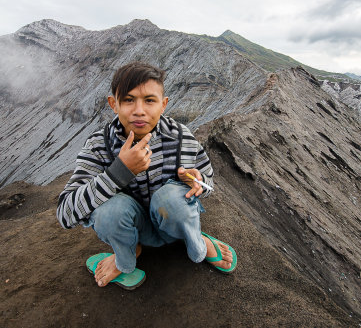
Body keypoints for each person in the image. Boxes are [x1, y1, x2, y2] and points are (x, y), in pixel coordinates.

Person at [56, 61, 237, 289]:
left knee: (172, 199)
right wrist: (118, 172)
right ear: (114, 104)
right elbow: (65, 214)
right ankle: (129, 253)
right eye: (129, 100)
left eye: (149, 100)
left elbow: (208, 183)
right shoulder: (98, 145)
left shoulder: (181, 138)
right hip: (133, 229)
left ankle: (198, 244)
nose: (139, 110)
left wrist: (197, 181)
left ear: (163, 105)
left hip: (171, 224)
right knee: (109, 212)